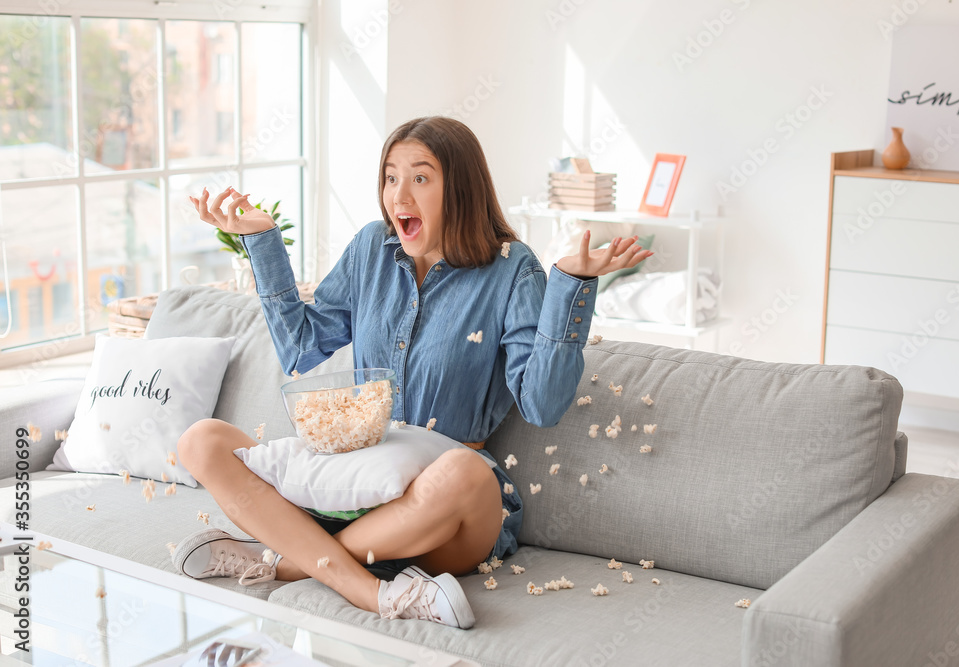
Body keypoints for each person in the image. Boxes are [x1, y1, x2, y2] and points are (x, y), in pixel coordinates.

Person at [171, 116, 651, 629]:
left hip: (439, 512)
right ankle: (370, 591)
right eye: (391, 177)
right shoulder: (370, 249)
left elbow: (542, 404)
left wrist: (571, 286)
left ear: (460, 189)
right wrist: (263, 241)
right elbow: (302, 350)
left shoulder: (513, 269)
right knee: (202, 441)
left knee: (465, 473)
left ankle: (291, 562)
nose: (399, 194)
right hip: (350, 484)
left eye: (421, 177)